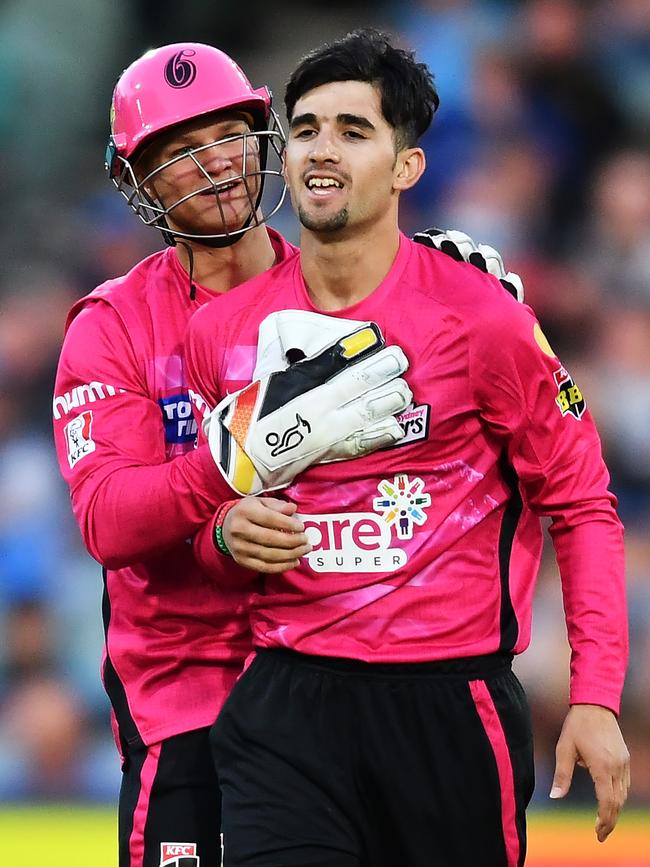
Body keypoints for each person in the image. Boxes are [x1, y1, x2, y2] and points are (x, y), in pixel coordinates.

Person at [52, 41, 507, 867]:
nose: (214, 166)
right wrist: (228, 476)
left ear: (265, 140)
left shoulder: (352, 288)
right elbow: (106, 520)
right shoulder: (112, 326)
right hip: (187, 697)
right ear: (137, 182)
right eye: (178, 153)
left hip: (336, 688)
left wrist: (469, 297)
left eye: (226, 136)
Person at [185, 29, 630, 867]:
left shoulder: (487, 321)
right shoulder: (220, 333)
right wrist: (221, 538)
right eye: (307, 127)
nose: (322, 149)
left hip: (450, 709)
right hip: (286, 705)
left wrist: (596, 695)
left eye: (354, 131)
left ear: (405, 169)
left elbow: (582, 504)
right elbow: (205, 532)